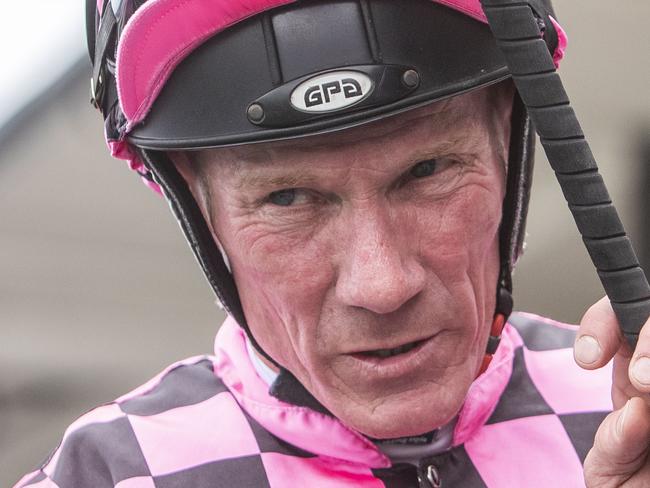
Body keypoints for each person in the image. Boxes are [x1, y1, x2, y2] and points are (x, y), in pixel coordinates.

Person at [14, 0, 650, 486]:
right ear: (199, 209)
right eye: (287, 198)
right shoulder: (108, 472)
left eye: (428, 171)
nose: (382, 285)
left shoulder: (626, 413)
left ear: (507, 144)